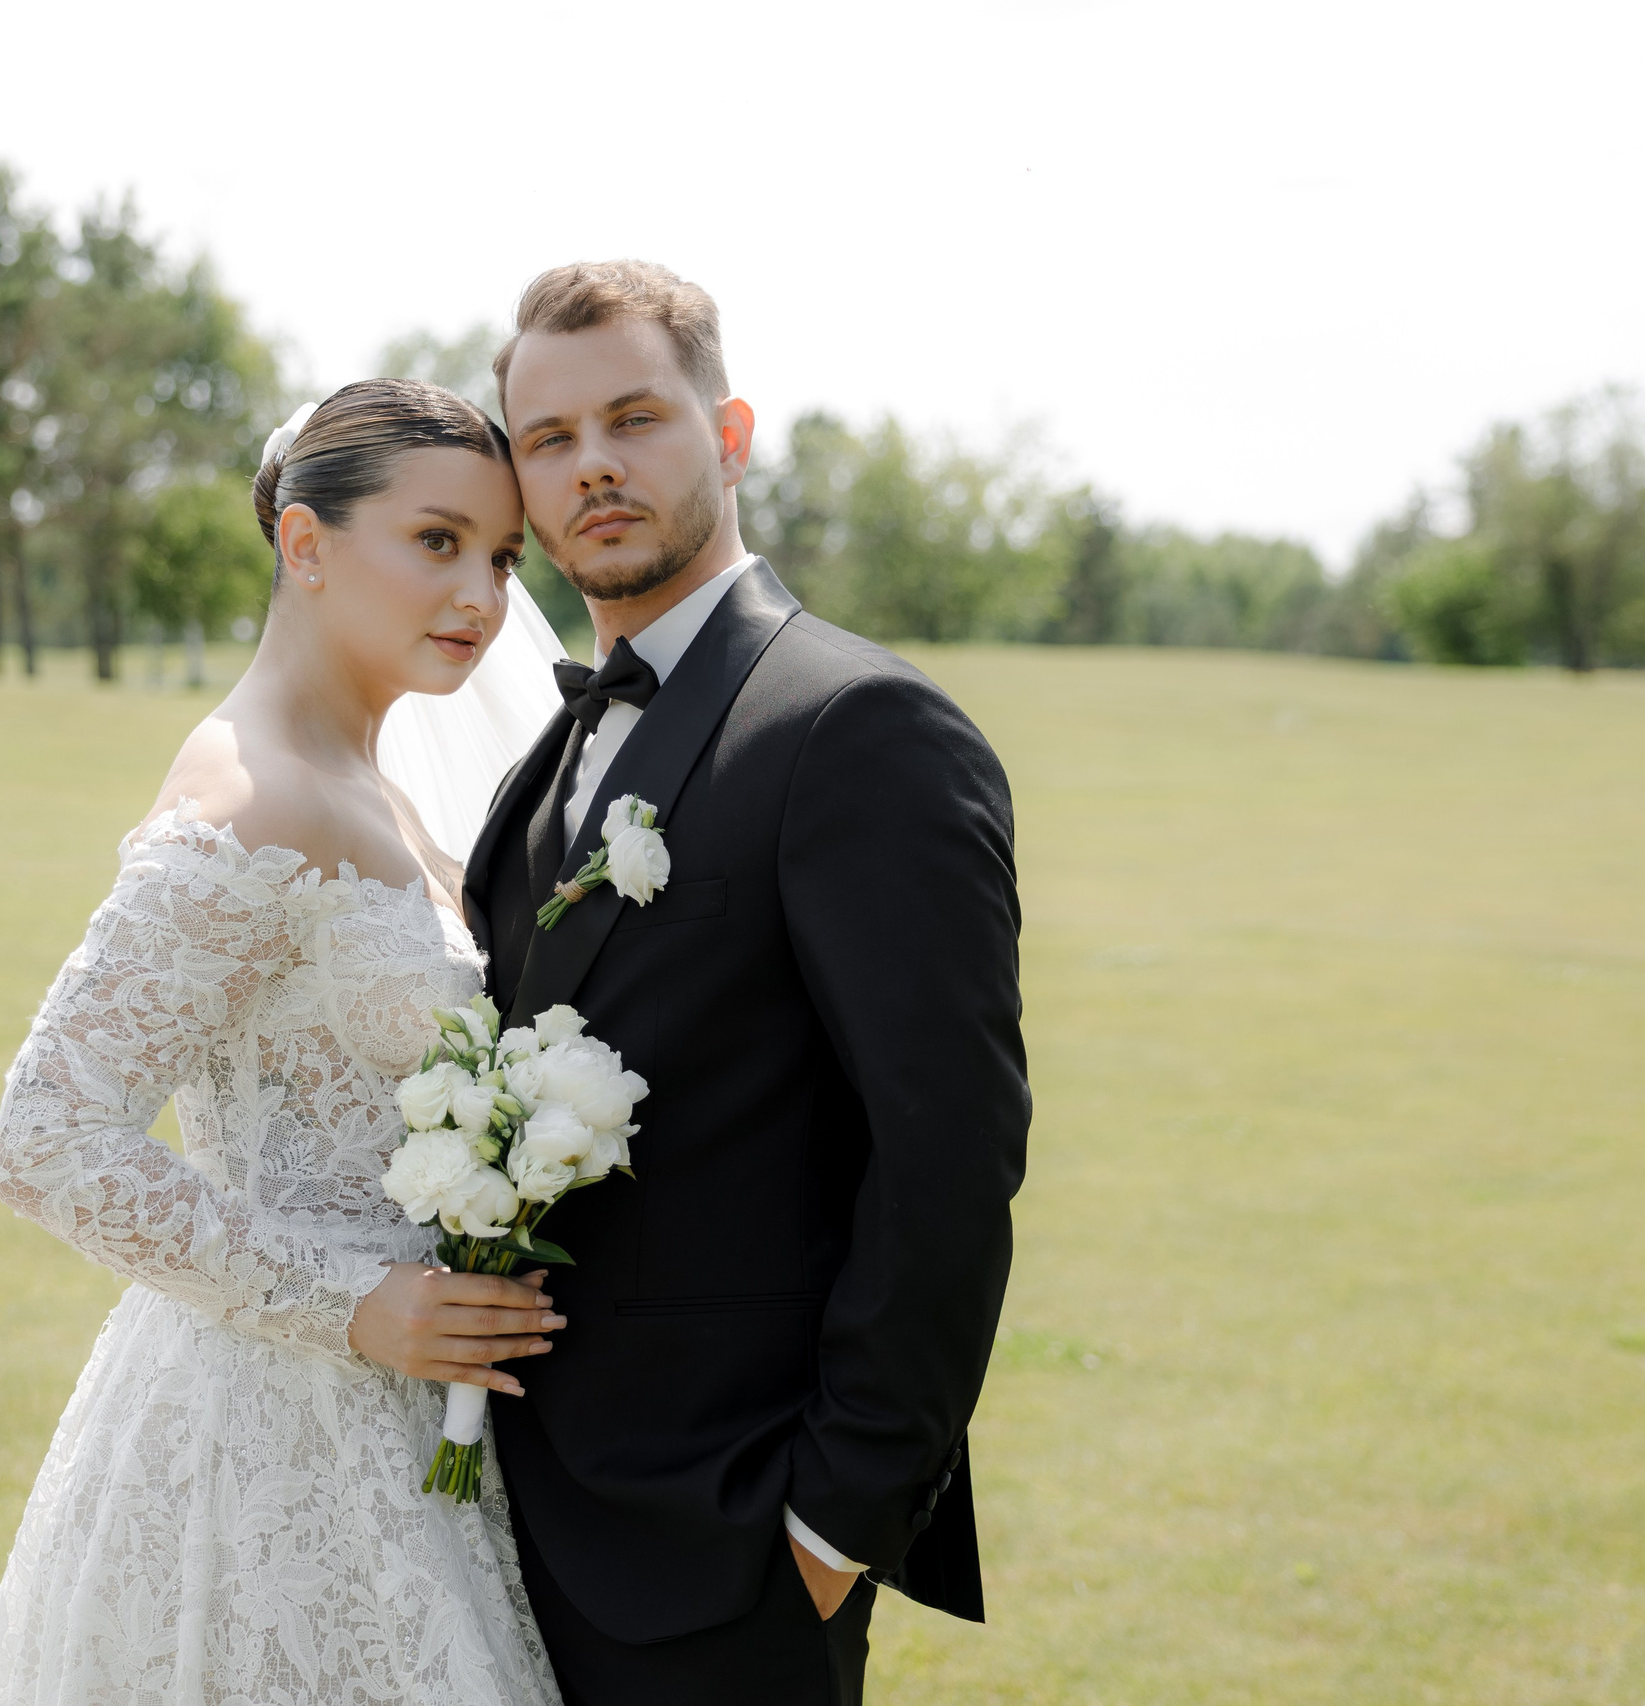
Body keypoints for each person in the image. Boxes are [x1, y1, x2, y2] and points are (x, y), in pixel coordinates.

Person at [462, 262, 1029, 1706]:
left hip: (727, 1541)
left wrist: (838, 1514)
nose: (593, 464)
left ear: (732, 431)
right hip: (503, 1522)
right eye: (548, 438)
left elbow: (947, 1150)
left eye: (634, 418)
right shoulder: (547, 747)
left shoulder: (857, 725)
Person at [0, 379, 573, 1705]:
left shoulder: (377, 786)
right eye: (436, 541)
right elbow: (48, 1135)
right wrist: (354, 1304)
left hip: (419, 1417)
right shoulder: (253, 799)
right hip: (273, 1433)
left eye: (503, 554)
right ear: (305, 545)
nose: (480, 591)